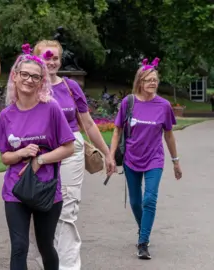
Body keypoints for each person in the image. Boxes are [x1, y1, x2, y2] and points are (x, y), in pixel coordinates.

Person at [33, 40, 116, 270]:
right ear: (36, 59)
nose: (51, 62)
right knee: (39, 210)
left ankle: (67, 266)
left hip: (71, 150)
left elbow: (88, 123)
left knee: (66, 211)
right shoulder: (30, 85)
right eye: (46, 57)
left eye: (55, 58)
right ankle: (48, 264)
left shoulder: (70, 87)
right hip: (41, 153)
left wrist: (108, 154)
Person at [0, 45, 75, 270]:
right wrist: (20, 153)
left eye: (36, 77)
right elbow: (5, 158)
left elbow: (69, 148)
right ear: (15, 76)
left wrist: (40, 160)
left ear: (42, 82)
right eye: (25, 74)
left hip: (46, 188)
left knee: (45, 245)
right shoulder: (5, 116)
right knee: (19, 247)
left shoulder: (51, 109)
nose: (29, 80)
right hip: (15, 190)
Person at [109, 58, 182, 260]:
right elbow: (117, 131)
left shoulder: (164, 105)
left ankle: (143, 242)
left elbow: (168, 135)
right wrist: (110, 156)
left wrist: (176, 161)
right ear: (140, 82)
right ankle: (144, 229)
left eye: (155, 80)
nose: (152, 83)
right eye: (148, 80)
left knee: (149, 199)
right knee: (135, 202)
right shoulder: (128, 102)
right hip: (132, 158)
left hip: (154, 160)